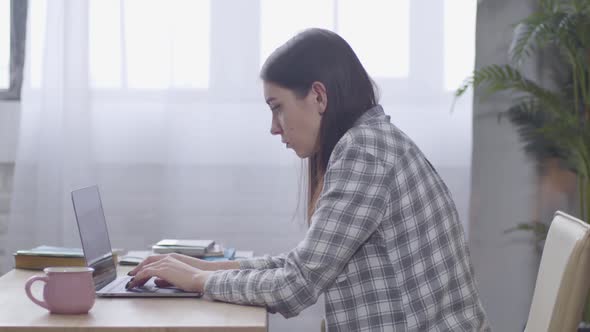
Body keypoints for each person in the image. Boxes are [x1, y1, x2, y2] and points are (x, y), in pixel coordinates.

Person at [127, 28, 490, 331]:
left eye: (277, 107)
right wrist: (206, 268)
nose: (273, 128)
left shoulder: (363, 151)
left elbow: (295, 286)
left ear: (318, 96)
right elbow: (303, 264)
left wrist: (200, 282)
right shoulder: (371, 141)